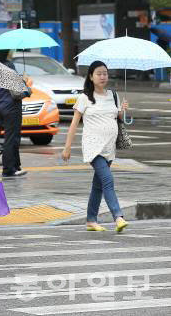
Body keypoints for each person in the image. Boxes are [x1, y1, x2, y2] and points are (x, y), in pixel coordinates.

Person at [62, 60, 129, 233]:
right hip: (93, 148)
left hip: (109, 148)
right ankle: (118, 217)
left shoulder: (113, 95)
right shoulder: (85, 98)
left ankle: (91, 220)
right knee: (108, 180)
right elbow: (74, 124)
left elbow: (118, 117)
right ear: (91, 77)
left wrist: (122, 110)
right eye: (98, 73)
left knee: (98, 186)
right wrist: (67, 147)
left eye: (105, 73)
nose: (102, 76)